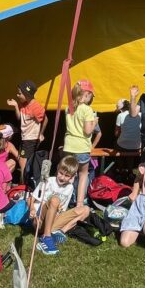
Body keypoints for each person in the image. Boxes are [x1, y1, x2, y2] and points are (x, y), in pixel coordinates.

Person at [32, 154, 90, 256]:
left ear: (72, 177)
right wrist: (32, 209)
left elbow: (62, 209)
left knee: (85, 209)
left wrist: (59, 214)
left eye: (67, 176)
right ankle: (46, 237)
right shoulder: (48, 181)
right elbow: (31, 199)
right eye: (61, 173)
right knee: (54, 200)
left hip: (54, 220)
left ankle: (60, 232)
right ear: (57, 168)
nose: (62, 177)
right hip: (39, 220)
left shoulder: (70, 188)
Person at [63, 79, 100, 209]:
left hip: (68, 146)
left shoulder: (68, 107)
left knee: (69, 173)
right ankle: (79, 203)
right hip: (81, 147)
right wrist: (94, 122)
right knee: (83, 174)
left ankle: (65, 200)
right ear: (86, 94)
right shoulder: (87, 110)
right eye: (90, 96)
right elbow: (88, 130)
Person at [7, 80, 46, 185]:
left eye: (19, 93)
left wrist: (41, 133)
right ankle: (26, 185)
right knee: (23, 162)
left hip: (31, 138)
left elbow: (45, 119)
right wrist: (16, 106)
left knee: (22, 162)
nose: (17, 95)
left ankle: (24, 186)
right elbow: (20, 118)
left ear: (27, 94)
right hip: (25, 137)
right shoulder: (23, 104)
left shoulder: (36, 107)